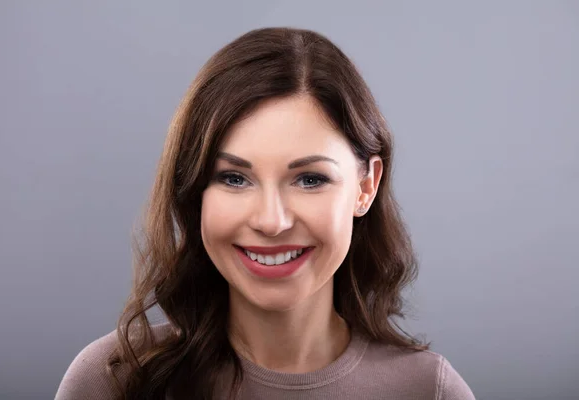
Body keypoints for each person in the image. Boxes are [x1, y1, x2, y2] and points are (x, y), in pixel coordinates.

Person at [55, 27, 475, 400]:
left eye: (310, 179)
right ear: (195, 190)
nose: (271, 222)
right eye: (234, 178)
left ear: (366, 186)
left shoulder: (428, 391)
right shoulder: (112, 383)